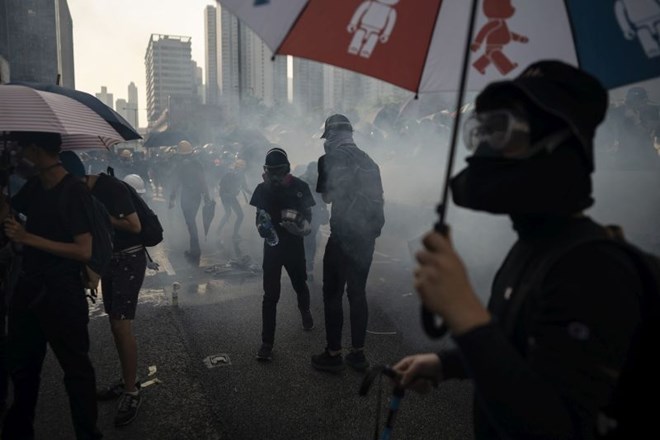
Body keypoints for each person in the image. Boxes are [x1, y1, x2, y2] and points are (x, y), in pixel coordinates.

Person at [392, 61, 644, 439]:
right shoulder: (531, 246)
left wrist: (465, 315)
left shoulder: (593, 268)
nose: (488, 152)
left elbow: (557, 428)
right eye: (483, 133)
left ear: (561, 149)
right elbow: (523, 347)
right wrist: (446, 363)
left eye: (505, 133)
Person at [0, 132, 102, 439]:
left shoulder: (73, 190)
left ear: (34, 148)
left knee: (76, 372)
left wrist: (28, 238)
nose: (19, 155)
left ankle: (87, 434)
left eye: (22, 148)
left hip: (62, 294)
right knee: (23, 371)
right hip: (28, 292)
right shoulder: (34, 186)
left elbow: (84, 250)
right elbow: (10, 219)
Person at [59, 151, 146, 427]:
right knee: (115, 324)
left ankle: (132, 390)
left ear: (76, 177)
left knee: (122, 326)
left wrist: (100, 217)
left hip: (128, 258)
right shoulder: (77, 193)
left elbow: (134, 225)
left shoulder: (111, 187)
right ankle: (127, 380)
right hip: (109, 259)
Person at [311, 114, 384, 373]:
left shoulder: (328, 159)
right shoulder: (370, 162)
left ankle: (333, 354)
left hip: (342, 236)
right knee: (357, 293)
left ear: (329, 136)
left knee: (332, 293)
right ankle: (358, 354)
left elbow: (328, 197)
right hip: (366, 238)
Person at [249, 147, 316, 362]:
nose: (275, 175)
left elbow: (309, 220)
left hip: (294, 247)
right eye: (272, 171)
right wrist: (262, 228)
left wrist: (300, 228)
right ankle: (267, 342)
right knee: (270, 296)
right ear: (266, 170)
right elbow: (258, 218)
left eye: (279, 170)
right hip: (272, 248)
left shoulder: (300, 187)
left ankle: (305, 312)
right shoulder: (261, 189)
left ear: (287, 169)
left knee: (299, 283)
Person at [169, 140, 212, 263]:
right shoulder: (197, 163)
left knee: (190, 222)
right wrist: (207, 196)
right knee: (191, 221)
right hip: (197, 195)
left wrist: (172, 196)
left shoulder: (180, 164)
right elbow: (202, 180)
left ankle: (195, 250)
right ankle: (194, 248)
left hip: (187, 195)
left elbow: (176, 182)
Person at [298, 161, 329, 281]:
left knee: (309, 239)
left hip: (313, 214)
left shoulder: (315, 180)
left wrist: (324, 211)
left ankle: (308, 267)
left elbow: (322, 198)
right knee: (306, 240)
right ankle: (306, 266)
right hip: (304, 214)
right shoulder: (302, 181)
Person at [217, 159, 251, 241]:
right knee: (240, 215)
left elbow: (220, 184)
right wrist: (253, 193)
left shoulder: (229, 172)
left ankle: (218, 230)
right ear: (242, 167)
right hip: (230, 197)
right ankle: (235, 235)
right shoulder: (240, 174)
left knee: (228, 213)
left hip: (224, 196)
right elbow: (245, 187)